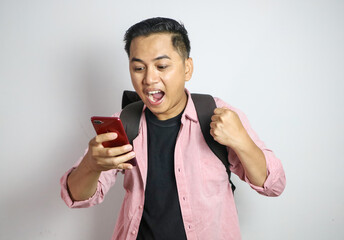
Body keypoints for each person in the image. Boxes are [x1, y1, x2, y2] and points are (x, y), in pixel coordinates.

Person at [60, 17, 286, 240]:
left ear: (187, 68)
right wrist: (91, 164)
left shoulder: (217, 114)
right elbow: (76, 197)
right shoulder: (124, 122)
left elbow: (273, 185)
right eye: (139, 67)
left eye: (162, 66)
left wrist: (241, 141)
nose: (149, 79)